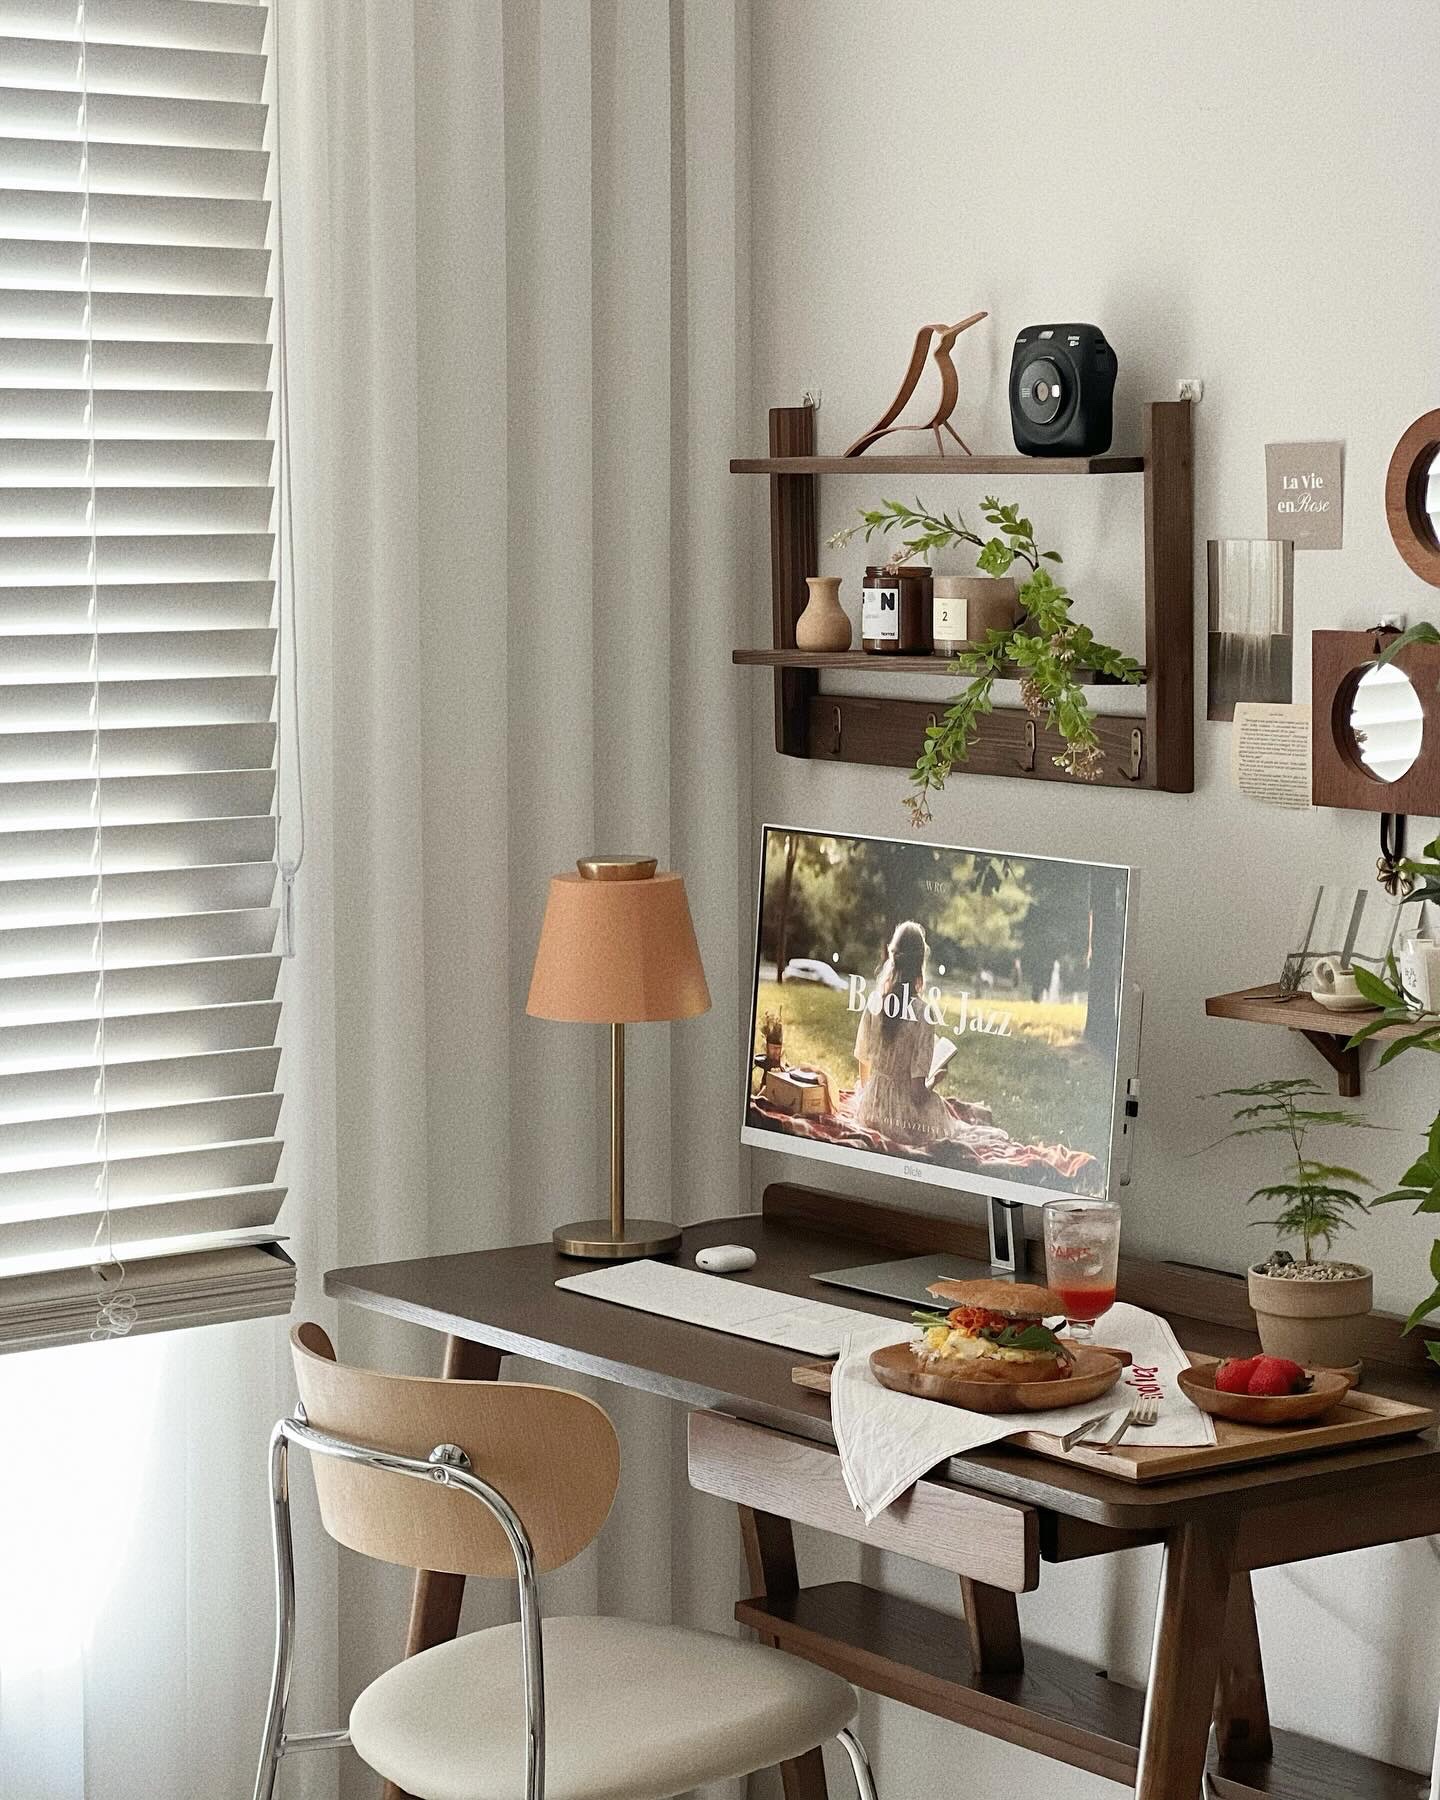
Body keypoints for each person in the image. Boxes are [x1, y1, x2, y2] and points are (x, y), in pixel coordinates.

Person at [853, 920, 952, 1141]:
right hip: (901, 1118)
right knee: (939, 1108)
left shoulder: (875, 1001)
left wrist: (870, 1095)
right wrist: (936, 1078)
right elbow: (917, 1095)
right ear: (920, 963)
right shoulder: (923, 1013)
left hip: (871, 1107)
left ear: (893, 957)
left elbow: (863, 1061)